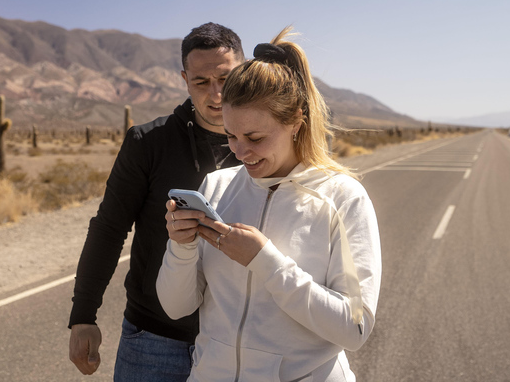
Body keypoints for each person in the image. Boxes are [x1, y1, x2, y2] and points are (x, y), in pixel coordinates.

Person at [156, 27, 382, 382]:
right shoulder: (216, 186)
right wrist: (180, 247)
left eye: (255, 138)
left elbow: (355, 328)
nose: (240, 152)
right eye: (230, 135)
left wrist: (267, 262)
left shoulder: (343, 197)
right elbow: (175, 307)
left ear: (295, 121)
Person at [68, 23, 245, 380]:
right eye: (201, 82)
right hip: (155, 340)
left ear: (244, 71)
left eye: (226, 79)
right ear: (184, 79)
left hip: (240, 341)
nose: (215, 95)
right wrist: (83, 316)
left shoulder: (265, 146)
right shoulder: (147, 143)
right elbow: (108, 228)